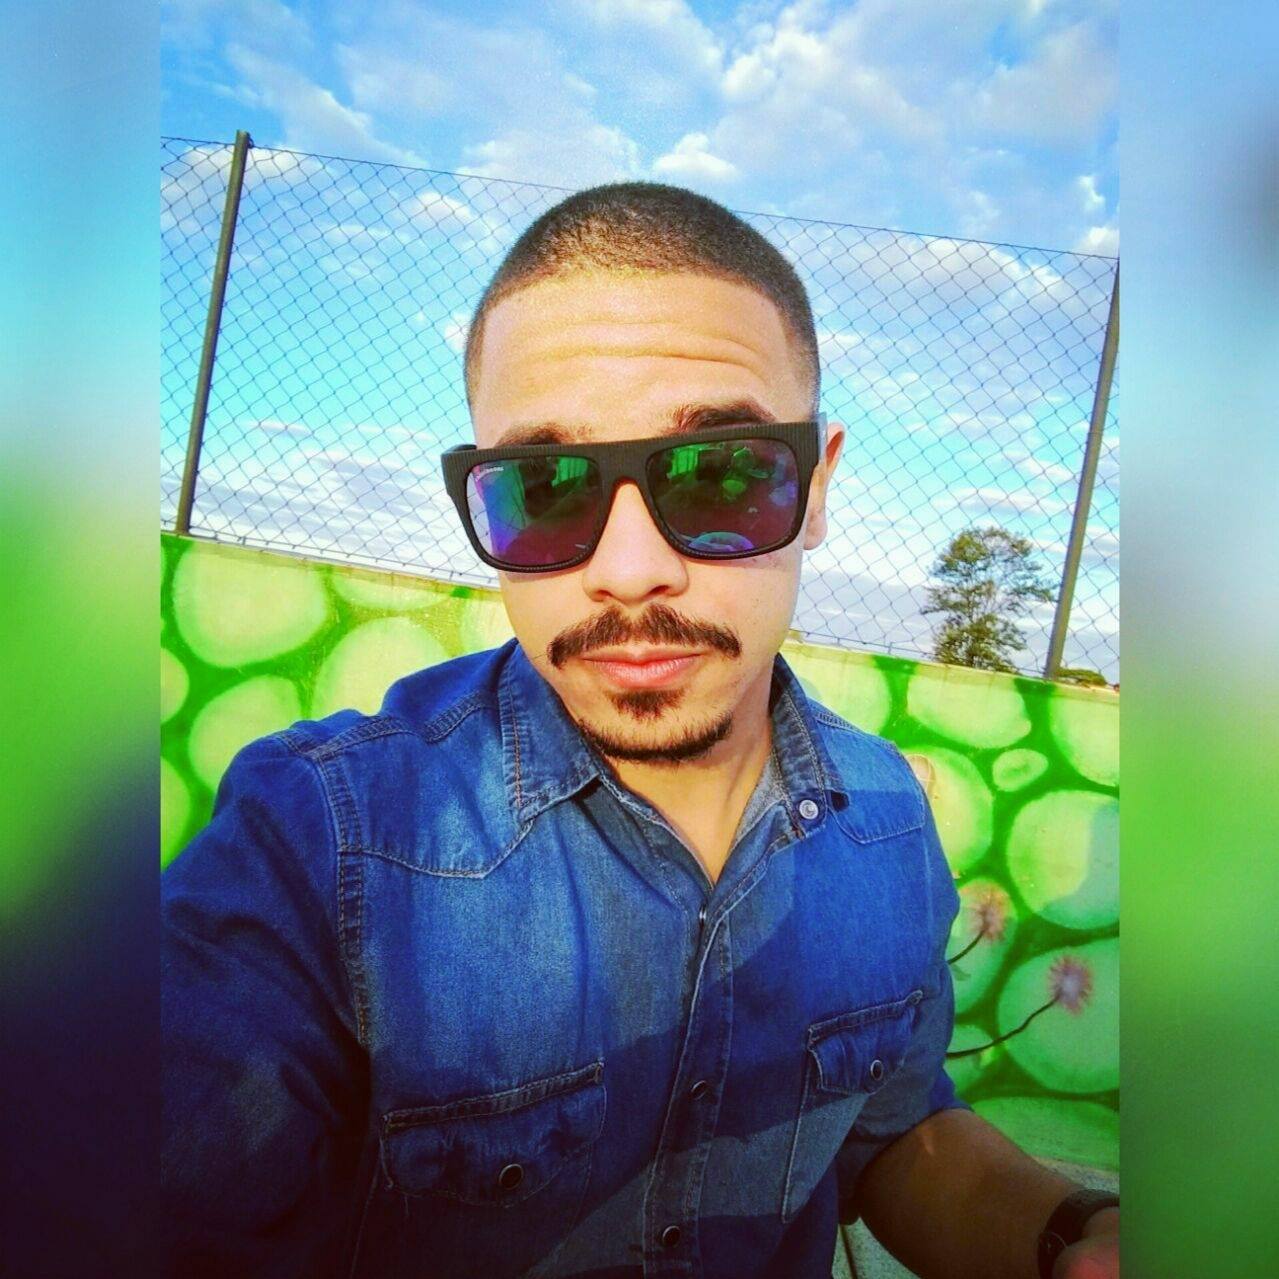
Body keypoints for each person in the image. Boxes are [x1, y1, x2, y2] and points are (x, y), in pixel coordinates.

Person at [162, 182, 1119, 1279]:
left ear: (816, 487)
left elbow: (890, 1132)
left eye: (721, 473)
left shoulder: (886, 821)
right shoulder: (326, 841)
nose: (628, 569)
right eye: (543, 486)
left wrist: (1069, 1236)